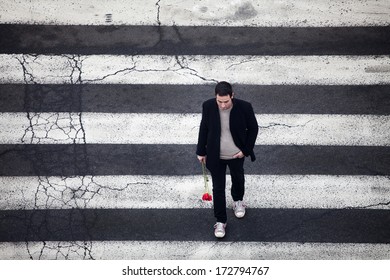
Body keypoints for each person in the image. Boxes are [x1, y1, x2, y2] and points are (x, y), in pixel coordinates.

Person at [196, 81, 259, 238]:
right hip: (214, 155)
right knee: (218, 188)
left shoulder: (244, 107)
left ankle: (238, 200)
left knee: (238, 178)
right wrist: (200, 151)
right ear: (215, 97)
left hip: (235, 154)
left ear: (232, 96)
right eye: (219, 101)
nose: (223, 105)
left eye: (226, 101)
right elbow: (204, 127)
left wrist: (245, 151)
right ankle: (220, 220)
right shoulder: (208, 106)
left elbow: (253, 128)